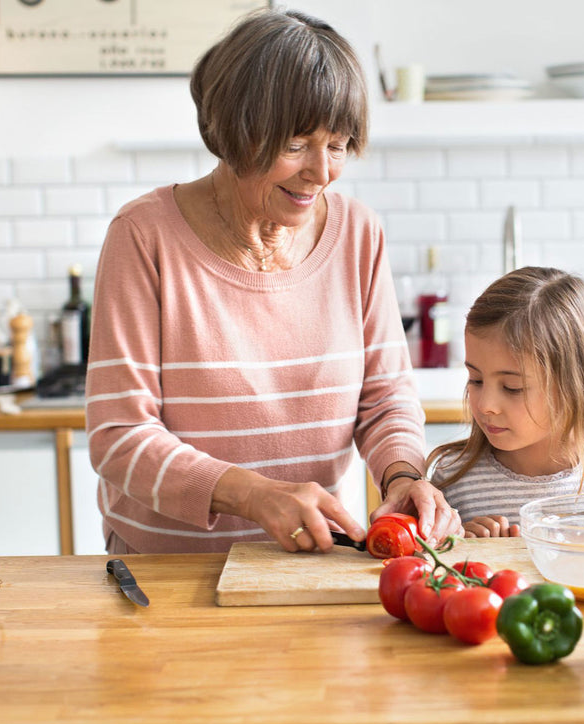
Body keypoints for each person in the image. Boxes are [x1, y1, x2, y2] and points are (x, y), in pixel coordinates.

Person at [85, 8, 460, 555]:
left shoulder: (358, 233)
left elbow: (385, 398)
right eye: (295, 144)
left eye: (337, 144)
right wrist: (250, 494)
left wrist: (403, 477)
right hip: (165, 574)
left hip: (306, 560)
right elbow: (118, 437)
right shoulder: (144, 236)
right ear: (235, 132)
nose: (322, 171)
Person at [426, 267, 584, 538]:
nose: (486, 404)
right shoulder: (452, 481)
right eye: (476, 380)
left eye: (513, 387)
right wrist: (459, 545)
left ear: (574, 384)